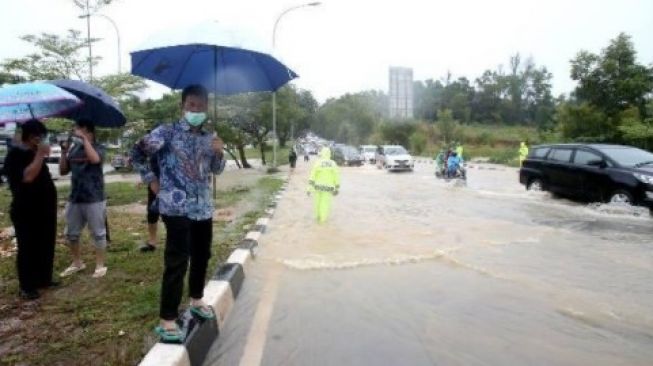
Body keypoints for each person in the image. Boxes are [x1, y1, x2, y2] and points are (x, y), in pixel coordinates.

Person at [131, 85, 226, 342]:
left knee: (202, 255)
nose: (196, 110)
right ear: (182, 106)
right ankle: (168, 319)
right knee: (178, 260)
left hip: (203, 206)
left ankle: (196, 300)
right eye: (191, 105)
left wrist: (219, 151)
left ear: (207, 107)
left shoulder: (210, 136)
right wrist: (151, 180)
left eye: (201, 106)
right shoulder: (167, 132)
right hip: (175, 206)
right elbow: (137, 152)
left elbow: (216, 170)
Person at [4, 120, 58, 300]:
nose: (40, 139)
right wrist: (39, 156)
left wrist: (41, 154)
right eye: (37, 136)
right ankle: (27, 286)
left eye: (42, 136)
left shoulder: (35, 152)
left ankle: (44, 278)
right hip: (26, 209)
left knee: (46, 242)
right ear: (28, 136)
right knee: (28, 246)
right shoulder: (15, 155)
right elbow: (28, 177)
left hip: (45, 207)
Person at [59, 119, 108, 279]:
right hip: (75, 197)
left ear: (89, 132)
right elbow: (63, 171)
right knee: (71, 233)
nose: (75, 133)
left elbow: (94, 160)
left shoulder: (99, 147)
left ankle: (100, 265)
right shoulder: (74, 149)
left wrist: (86, 140)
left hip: (94, 197)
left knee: (98, 233)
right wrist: (64, 152)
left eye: (78, 130)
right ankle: (77, 262)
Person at [132, 134, 161, 252]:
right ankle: (152, 241)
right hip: (156, 181)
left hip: (178, 183)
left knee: (177, 214)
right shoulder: (153, 137)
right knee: (152, 211)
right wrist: (149, 177)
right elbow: (136, 152)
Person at [307, 147, 340, 224]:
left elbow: (312, 176)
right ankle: (323, 220)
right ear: (329, 154)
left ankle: (317, 218)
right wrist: (337, 187)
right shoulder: (333, 164)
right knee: (325, 204)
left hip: (317, 187)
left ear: (321, 153)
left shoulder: (318, 163)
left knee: (317, 203)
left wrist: (309, 189)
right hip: (328, 188)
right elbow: (336, 176)